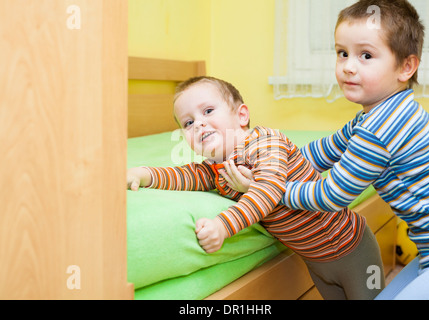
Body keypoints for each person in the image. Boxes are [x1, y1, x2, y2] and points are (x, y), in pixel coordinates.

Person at [127, 76, 385, 300]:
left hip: (350, 247)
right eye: (187, 123)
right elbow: (186, 175)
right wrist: (145, 174)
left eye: (207, 111)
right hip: (316, 260)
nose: (198, 124)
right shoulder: (217, 166)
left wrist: (222, 225)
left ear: (241, 115)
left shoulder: (266, 143)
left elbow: (267, 192)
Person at [275, 0, 429, 299]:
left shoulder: (380, 129)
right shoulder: (377, 115)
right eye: (342, 53)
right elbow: (322, 151)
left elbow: (332, 195)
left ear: (406, 67)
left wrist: (273, 188)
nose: (348, 66)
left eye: (365, 55)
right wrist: (273, 158)